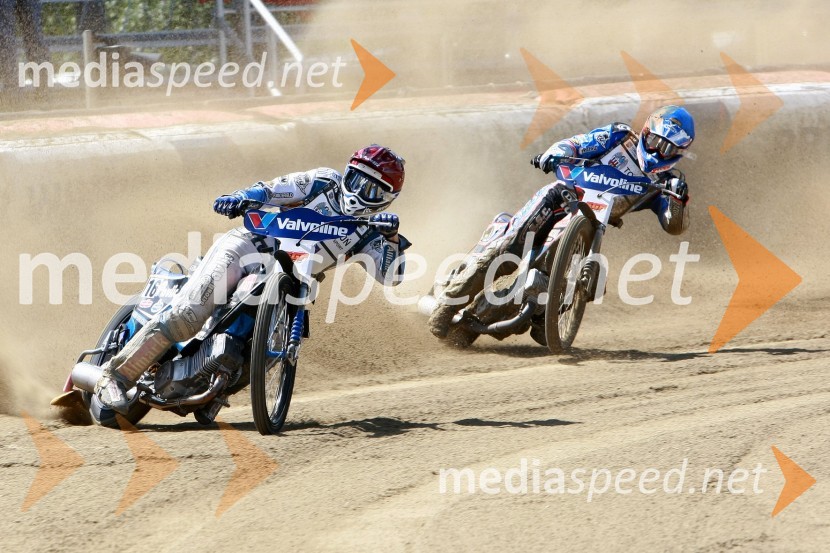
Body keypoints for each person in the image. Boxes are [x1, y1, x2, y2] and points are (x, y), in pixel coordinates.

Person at [93, 144, 410, 414]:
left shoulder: (373, 231)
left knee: (264, 348)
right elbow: (273, 189)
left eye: (372, 189)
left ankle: (214, 383)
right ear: (347, 172)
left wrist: (393, 238)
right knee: (189, 314)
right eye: (356, 180)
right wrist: (241, 197)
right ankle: (114, 376)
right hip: (248, 247)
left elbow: (392, 276)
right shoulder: (323, 182)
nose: (359, 192)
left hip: (292, 282)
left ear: (388, 198)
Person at [428, 105, 695, 338]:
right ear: (646, 132)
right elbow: (578, 143)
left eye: (667, 148)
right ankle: (448, 305)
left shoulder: (667, 183)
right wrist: (555, 153)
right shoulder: (619, 136)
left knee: (581, 278)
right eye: (655, 141)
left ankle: (539, 312)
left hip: (591, 225)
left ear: (678, 153)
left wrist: (678, 201)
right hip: (561, 198)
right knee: (509, 249)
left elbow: (673, 225)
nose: (658, 151)